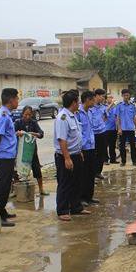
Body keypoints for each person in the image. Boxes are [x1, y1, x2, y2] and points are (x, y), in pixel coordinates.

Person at [54, 90, 90, 221]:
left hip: (75, 154)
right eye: (78, 101)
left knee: (76, 182)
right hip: (65, 156)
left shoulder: (73, 115)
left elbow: (75, 137)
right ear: (73, 102)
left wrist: (79, 151)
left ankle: (76, 207)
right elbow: (62, 140)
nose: (79, 103)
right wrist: (67, 158)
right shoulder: (62, 117)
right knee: (65, 183)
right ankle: (62, 210)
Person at [0, 88, 19, 227]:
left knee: (7, 185)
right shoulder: (2, 115)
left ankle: (2, 210)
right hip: (3, 156)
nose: (18, 101)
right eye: (17, 98)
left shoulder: (7, 114)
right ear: (11, 100)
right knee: (2, 186)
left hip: (7, 155)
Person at [14, 105, 47, 195]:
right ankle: (16, 190)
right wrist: (18, 133)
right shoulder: (18, 122)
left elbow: (41, 134)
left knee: (37, 169)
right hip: (20, 151)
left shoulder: (33, 123)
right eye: (25, 115)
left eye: (29, 115)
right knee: (18, 170)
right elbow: (12, 134)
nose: (27, 117)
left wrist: (34, 134)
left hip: (32, 151)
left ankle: (41, 189)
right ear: (22, 114)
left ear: (32, 114)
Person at [77, 91, 99, 206]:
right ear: (87, 100)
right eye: (92, 100)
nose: (94, 102)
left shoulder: (90, 112)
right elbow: (78, 132)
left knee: (91, 173)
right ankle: (82, 198)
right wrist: (79, 149)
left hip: (91, 146)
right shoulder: (78, 113)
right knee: (83, 174)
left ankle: (90, 196)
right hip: (83, 148)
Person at [117, 89, 136, 167]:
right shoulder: (119, 105)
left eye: (127, 95)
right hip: (122, 129)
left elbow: (134, 117)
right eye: (125, 95)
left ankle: (135, 161)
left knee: (133, 145)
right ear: (122, 96)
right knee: (122, 146)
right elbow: (118, 118)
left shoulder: (132, 106)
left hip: (130, 129)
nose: (126, 97)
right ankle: (123, 161)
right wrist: (119, 128)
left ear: (129, 95)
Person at [91, 89, 108, 179]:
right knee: (93, 154)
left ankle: (98, 172)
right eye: (102, 96)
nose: (103, 98)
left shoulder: (103, 107)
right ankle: (92, 173)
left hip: (102, 133)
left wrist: (101, 125)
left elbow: (105, 117)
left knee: (101, 153)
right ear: (96, 96)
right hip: (93, 134)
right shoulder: (90, 107)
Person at [104, 94, 118, 164]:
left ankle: (113, 159)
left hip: (113, 128)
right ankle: (105, 160)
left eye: (112, 97)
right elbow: (105, 111)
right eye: (109, 97)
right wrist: (112, 104)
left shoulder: (115, 107)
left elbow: (116, 117)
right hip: (106, 129)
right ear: (106, 99)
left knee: (112, 145)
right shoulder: (104, 107)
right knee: (105, 145)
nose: (111, 99)